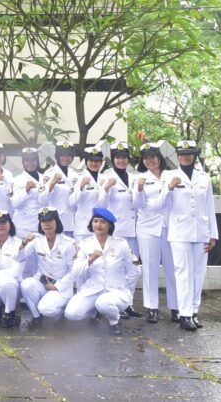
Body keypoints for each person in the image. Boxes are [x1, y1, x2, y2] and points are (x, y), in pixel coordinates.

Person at [165, 139, 218, 331]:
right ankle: (184, 314)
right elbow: (161, 203)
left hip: (201, 231)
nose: (185, 157)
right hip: (180, 232)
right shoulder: (169, 176)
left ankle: (194, 311)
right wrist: (170, 187)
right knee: (183, 273)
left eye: (189, 154)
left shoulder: (203, 177)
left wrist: (213, 234)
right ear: (178, 156)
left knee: (198, 273)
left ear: (194, 155)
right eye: (182, 154)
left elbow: (210, 206)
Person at [65, 207, 140, 336]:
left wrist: (128, 292)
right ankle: (95, 313)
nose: (98, 225)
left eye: (103, 222)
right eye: (95, 221)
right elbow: (76, 271)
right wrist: (91, 259)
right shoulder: (85, 244)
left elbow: (134, 271)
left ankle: (114, 322)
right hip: (93, 289)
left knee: (104, 303)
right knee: (71, 313)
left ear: (109, 225)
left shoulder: (121, 244)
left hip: (116, 291)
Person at [133, 142, 179, 324]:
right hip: (147, 228)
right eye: (145, 158)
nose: (149, 161)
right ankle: (151, 308)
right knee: (150, 269)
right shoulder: (140, 178)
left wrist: (169, 187)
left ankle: (176, 307)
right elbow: (141, 205)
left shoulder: (171, 175)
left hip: (170, 227)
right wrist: (139, 190)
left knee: (172, 268)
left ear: (159, 157)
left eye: (152, 157)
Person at [98, 140, 142, 318]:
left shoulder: (134, 177)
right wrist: (106, 188)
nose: (121, 161)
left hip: (134, 231)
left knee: (132, 270)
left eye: (124, 157)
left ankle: (128, 303)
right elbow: (101, 205)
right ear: (113, 159)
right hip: (117, 231)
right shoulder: (106, 177)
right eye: (118, 157)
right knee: (114, 270)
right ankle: (112, 303)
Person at [17, 207, 75, 327]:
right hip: (42, 282)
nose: (47, 224)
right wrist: (24, 242)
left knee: (45, 309)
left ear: (56, 221)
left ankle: (61, 313)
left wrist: (57, 286)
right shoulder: (37, 241)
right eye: (43, 221)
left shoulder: (69, 243)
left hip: (60, 285)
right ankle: (36, 317)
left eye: (50, 220)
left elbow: (73, 271)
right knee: (26, 284)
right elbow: (19, 257)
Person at [40, 140, 75, 235]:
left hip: (73, 223)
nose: (66, 158)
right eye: (62, 155)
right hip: (57, 223)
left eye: (69, 155)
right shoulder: (49, 173)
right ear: (57, 156)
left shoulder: (75, 174)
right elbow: (42, 199)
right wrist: (52, 184)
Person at [69, 146, 104, 242]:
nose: (94, 163)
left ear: (101, 162)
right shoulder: (78, 178)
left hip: (100, 227)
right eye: (91, 160)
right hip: (83, 228)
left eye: (97, 161)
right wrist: (81, 186)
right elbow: (71, 202)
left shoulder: (104, 179)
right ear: (86, 162)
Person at [11, 147, 44, 235]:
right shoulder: (17, 180)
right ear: (23, 162)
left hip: (41, 224)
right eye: (27, 161)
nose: (30, 163)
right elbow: (14, 203)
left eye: (33, 160)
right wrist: (25, 191)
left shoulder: (44, 178)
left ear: (37, 161)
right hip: (22, 226)